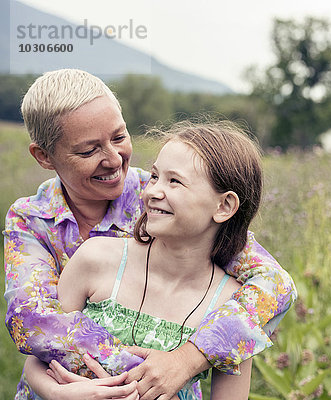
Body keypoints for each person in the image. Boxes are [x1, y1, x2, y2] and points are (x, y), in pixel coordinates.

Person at [4, 69, 296, 399]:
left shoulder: (162, 200)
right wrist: (129, 380)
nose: (113, 159)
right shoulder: (31, 220)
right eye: (88, 151)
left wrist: (186, 361)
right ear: (44, 156)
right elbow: (32, 322)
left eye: (118, 138)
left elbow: (274, 285)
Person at [22, 121, 260, 399]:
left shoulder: (233, 310)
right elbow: (39, 357)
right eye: (155, 177)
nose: (151, 192)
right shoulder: (96, 258)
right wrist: (56, 393)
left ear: (224, 206)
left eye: (174, 181)